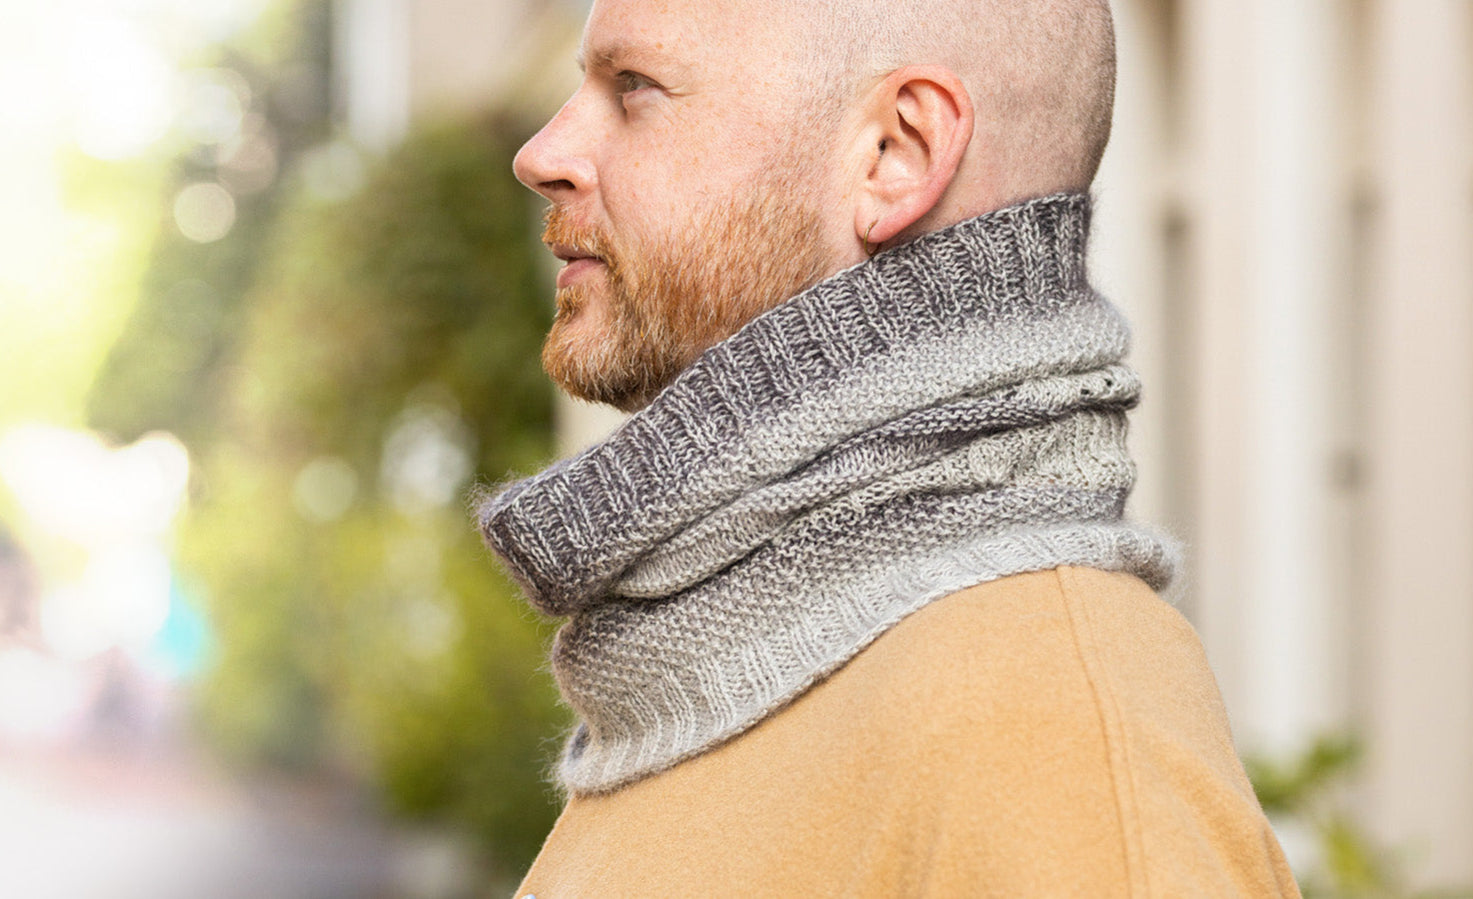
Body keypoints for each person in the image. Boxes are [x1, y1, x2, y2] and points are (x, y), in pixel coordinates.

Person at [478, 0, 1302, 895]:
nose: (542, 156)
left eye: (633, 88)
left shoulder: (1048, 735)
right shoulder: (709, 676)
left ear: (896, 154)